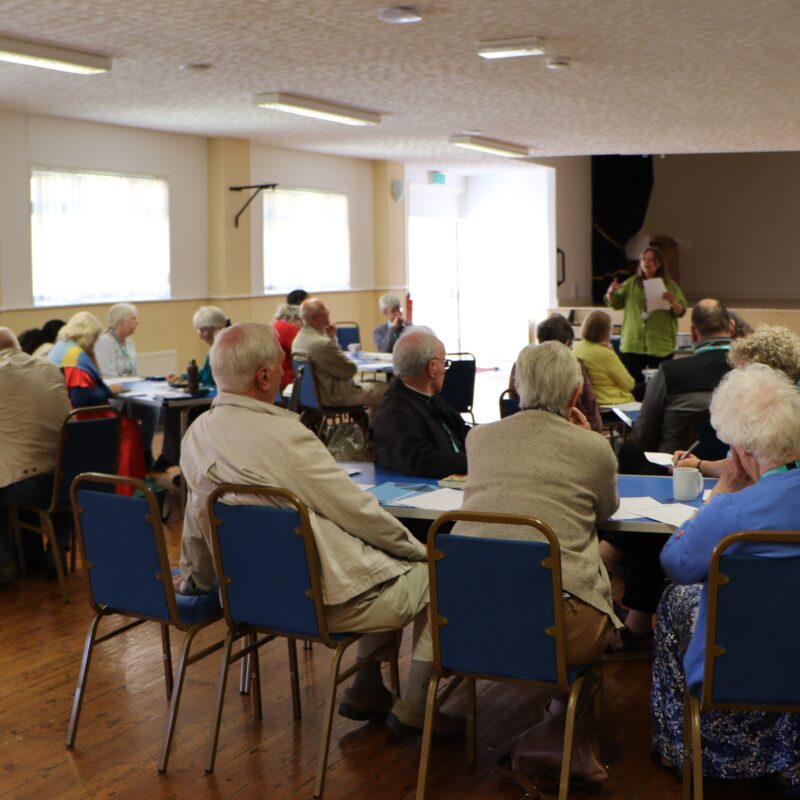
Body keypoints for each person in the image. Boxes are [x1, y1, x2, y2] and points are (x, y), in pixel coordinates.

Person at [178, 322, 463, 738]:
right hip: (318, 601)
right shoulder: (286, 435)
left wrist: (197, 582)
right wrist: (419, 550)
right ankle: (418, 706)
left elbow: (197, 520)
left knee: (390, 566)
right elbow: (356, 511)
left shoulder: (196, 434)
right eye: (281, 367)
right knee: (440, 573)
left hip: (248, 597)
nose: (285, 375)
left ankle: (366, 687)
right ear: (263, 377)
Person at [453, 341, 621, 784]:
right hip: (555, 629)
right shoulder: (593, 448)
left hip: (464, 619)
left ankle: (561, 737)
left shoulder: (479, 437)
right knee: (593, 596)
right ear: (574, 396)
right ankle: (566, 737)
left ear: (516, 387)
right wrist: (590, 438)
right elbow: (605, 511)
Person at [652, 364, 800, 789]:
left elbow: (676, 563)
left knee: (676, 601)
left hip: (739, 666)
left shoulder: (733, 515)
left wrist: (722, 492)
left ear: (739, 450)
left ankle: (686, 748)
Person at [673, 324, 800, 478]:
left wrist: (701, 466)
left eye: (744, 370)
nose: (740, 378)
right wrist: (699, 465)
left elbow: (743, 473)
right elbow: (739, 465)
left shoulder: (776, 414)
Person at [0, 327, 72, 584]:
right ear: (18, 347)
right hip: (70, 482)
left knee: (14, 471)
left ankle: (4, 559)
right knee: (57, 466)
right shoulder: (51, 369)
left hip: (27, 485)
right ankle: (59, 545)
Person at [48, 312, 145, 487]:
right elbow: (83, 398)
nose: (95, 342)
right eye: (95, 338)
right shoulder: (74, 355)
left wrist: (91, 356)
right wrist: (107, 391)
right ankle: (125, 485)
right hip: (82, 417)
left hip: (61, 413)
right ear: (88, 335)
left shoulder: (60, 347)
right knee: (129, 427)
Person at [373, 329, 469, 479]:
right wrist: (476, 460)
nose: (445, 369)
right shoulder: (394, 412)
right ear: (432, 368)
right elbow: (421, 460)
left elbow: (464, 432)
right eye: (444, 363)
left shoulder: (430, 399)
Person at [152, 305, 229, 472]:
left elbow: (211, 379)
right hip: (215, 398)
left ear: (215, 328)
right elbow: (206, 373)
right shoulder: (218, 345)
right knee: (174, 411)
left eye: (203, 331)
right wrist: (185, 377)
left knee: (182, 413)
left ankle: (183, 463)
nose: (201, 336)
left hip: (220, 402)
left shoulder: (223, 346)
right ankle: (175, 458)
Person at [508, 314, 603, 433]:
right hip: (567, 431)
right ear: (567, 343)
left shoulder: (520, 364)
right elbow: (590, 408)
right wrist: (595, 433)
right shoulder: (573, 366)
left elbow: (512, 398)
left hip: (521, 428)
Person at [605, 246, 687, 383]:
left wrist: (673, 302)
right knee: (632, 384)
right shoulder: (631, 283)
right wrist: (610, 292)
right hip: (633, 343)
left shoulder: (670, 285)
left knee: (659, 385)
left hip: (659, 344)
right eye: (644, 259)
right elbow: (615, 303)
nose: (647, 263)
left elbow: (681, 311)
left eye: (651, 260)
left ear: (659, 264)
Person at [292, 298, 387, 410]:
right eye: (325, 310)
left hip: (314, 397)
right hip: (335, 396)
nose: (329, 312)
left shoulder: (298, 340)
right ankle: (377, 426)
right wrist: (331, 339)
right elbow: (349, 370)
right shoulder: (322, 343)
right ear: (315, 316)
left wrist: (331, 336)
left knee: (373, 386)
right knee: (388, 390)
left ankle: (370, 425)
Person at [95, 303, 159, 468]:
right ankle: (144, 454)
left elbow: (136, 373)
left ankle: (144, 451)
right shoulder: (104, 342)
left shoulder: (130, 343)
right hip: (114, 397)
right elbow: (107, 376)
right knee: (151, 410)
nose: (137, 322)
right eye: (133, 318)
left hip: (132, 393)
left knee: (157, 407)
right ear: (120, 321)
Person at [573, 310, 635, 406]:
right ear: (606, 331)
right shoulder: (606, 354)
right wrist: (613, 354)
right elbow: (629, 384)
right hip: (611, 403)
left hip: (587, 403)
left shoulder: (576, 348)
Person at [272, 303, 302, 392]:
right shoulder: (289, 329)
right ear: (295, 319)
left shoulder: (275, 326)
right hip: (288, 381)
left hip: (276, 380)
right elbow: (306, 351)